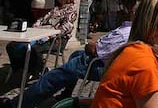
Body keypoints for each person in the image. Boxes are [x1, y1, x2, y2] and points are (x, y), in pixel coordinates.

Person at [1, 20, 132, 108]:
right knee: (75, 55)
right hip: (102, 60)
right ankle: (65, 93)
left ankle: (15, 105)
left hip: (99, 64)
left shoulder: (127, 32)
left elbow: (97, 50)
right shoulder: (128, 28)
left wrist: (91, 45)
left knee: (52, 77)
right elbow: (42, 20)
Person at [6, 0, 77, 77]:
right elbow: (43, 19)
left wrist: (49, 35)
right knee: (12, 46)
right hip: (41, 34)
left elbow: (66, 28)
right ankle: (23, 68)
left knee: (33, 49)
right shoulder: (56, 8)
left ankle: (40, 71)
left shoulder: (71, 10)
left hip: (56, 39)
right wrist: (36, 26)